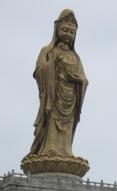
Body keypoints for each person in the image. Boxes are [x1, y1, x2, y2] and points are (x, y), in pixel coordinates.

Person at [24, 9, 88, 160]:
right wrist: (53, 64)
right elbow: (38, 71)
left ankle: (66, 151)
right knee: (52, 118)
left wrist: (78, 79)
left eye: (72, 32)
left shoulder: (75, 57)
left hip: (71, 97)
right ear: (57, 30)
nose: (68, 34)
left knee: (68, 123)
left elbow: (84, 79)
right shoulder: (47, 51)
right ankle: (50, 149)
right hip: (53, 96)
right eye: (64, 30)